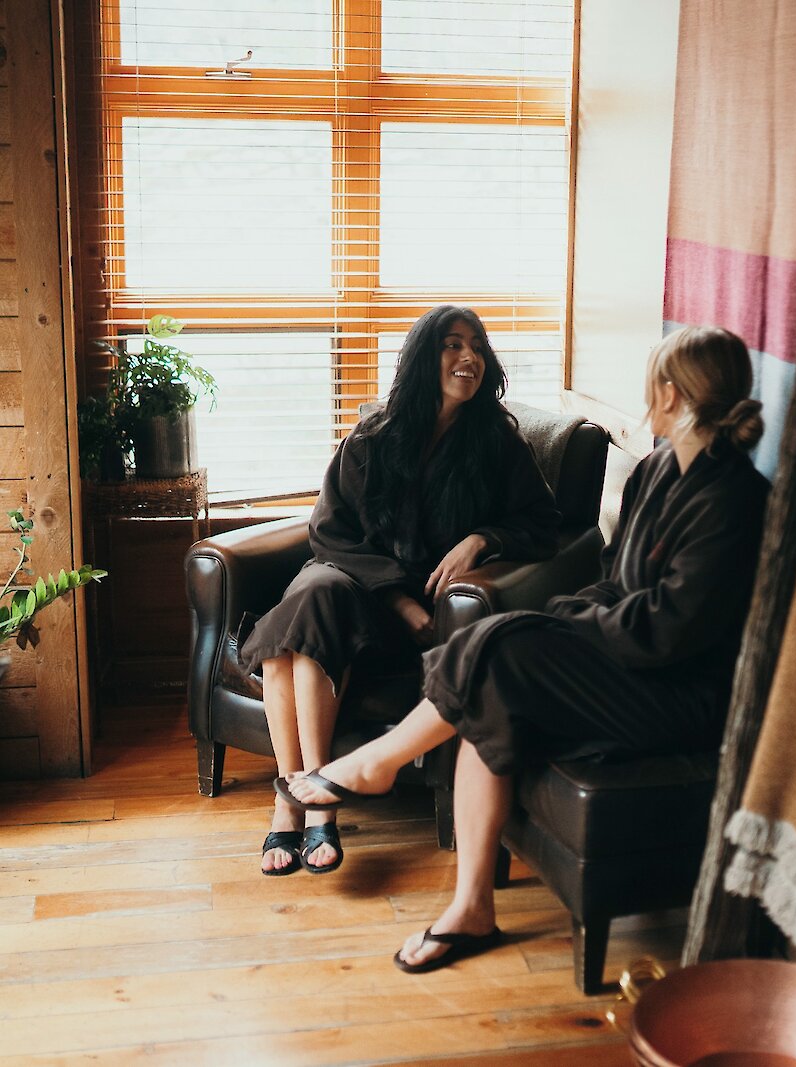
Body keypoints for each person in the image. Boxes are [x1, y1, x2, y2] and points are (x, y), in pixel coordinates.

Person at [276, 324, 770, 971]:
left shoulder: (733, 497)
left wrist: (566, 629)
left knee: (501, 649)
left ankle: (378, 763)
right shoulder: (655, 471)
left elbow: (668, 629)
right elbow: (614, 580)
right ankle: (471, 906)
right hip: (630, 660)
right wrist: (567, 619)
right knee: (497, 673)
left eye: (652, 385)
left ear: (671, 396)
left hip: (680, 693)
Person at [245, 305, 559, 876]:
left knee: (302, 621)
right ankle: (308, 805)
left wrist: (480, 539)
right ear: (422, 359)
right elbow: (329, 531)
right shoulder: (373, 437)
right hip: (362, 592)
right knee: (311, 600)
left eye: (476, 347)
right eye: (452, 346)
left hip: (429, 619)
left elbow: (544, 524)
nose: (468, 359)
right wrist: (397, 597)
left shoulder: (497, 444)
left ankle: (298, 800)